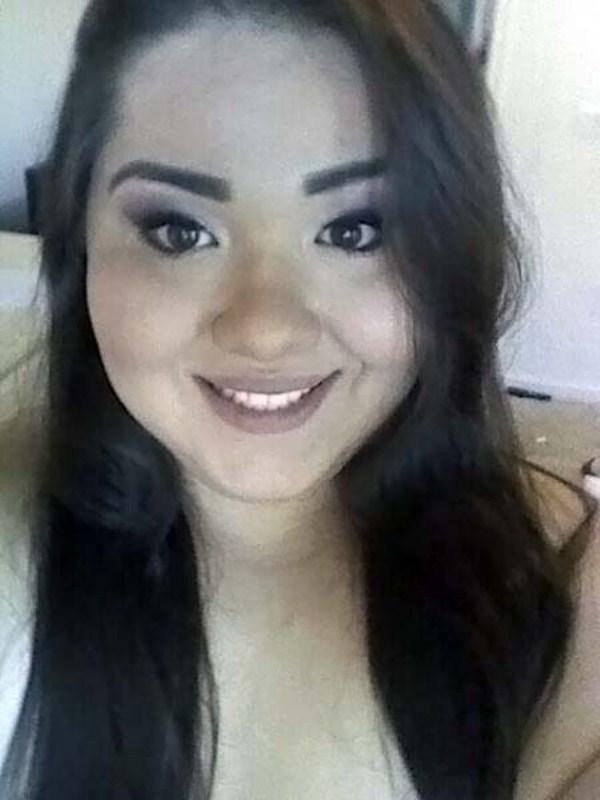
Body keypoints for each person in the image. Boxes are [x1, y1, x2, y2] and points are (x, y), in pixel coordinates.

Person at [0, 0, 599, 798]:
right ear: (79, 242)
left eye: (355, 231)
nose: (265, 331)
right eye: (178, 231)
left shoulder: (566, 596)